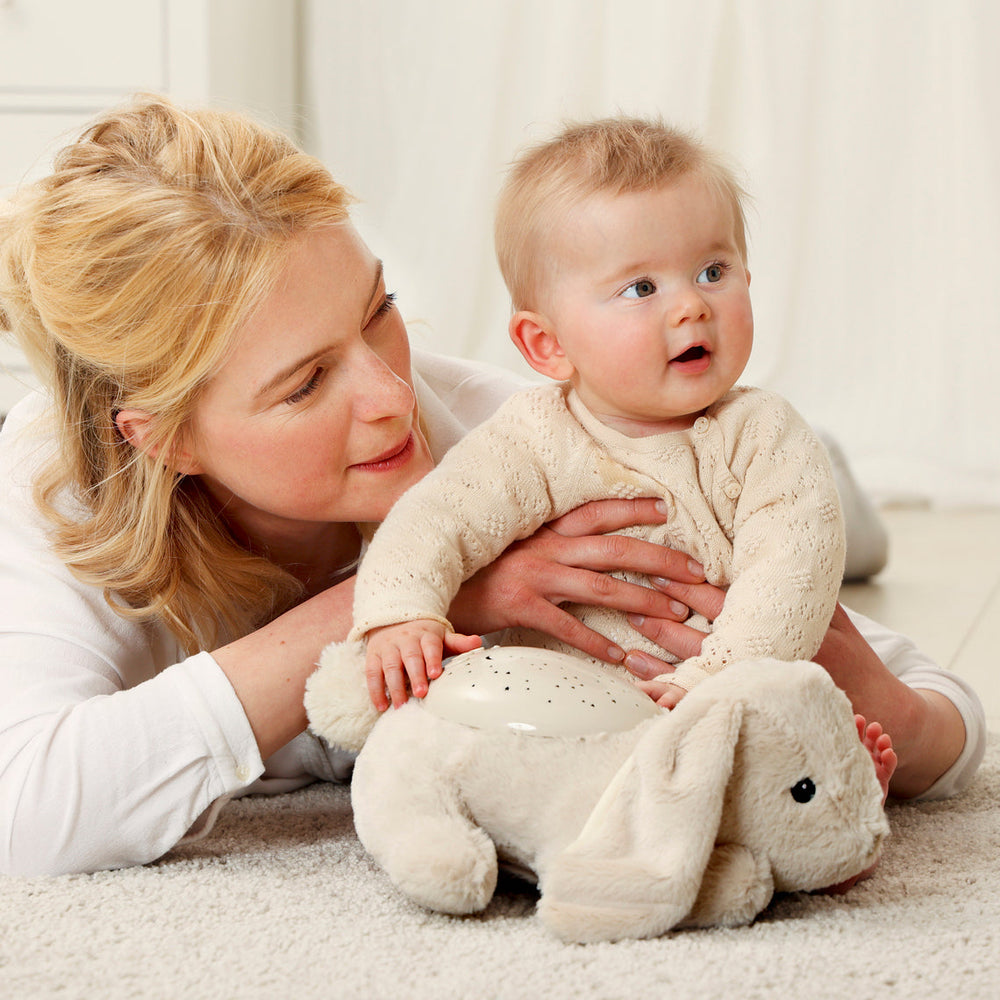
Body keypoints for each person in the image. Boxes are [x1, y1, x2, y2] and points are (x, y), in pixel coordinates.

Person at [0, 97, 982, 879]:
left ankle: (840, 481)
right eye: (305, 383)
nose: (393, 397)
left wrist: (898, 715)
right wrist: (429, 594)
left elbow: (936, 709)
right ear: (164, 438)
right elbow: (27, 811)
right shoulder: (56, 486)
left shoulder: (521, 435)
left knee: (810, 502)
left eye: (378, 310)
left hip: (741, 469)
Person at [354, 118, 852, 714]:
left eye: (712, 272)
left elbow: (792, 572)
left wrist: (719, 677)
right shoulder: (531, 438)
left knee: (790, 733)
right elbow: (435, 519)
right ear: (548, 345)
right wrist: (402, 612)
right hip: (565, 710)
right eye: (641, 288)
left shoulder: (765, 434)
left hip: (716, 699)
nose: (691, 306)